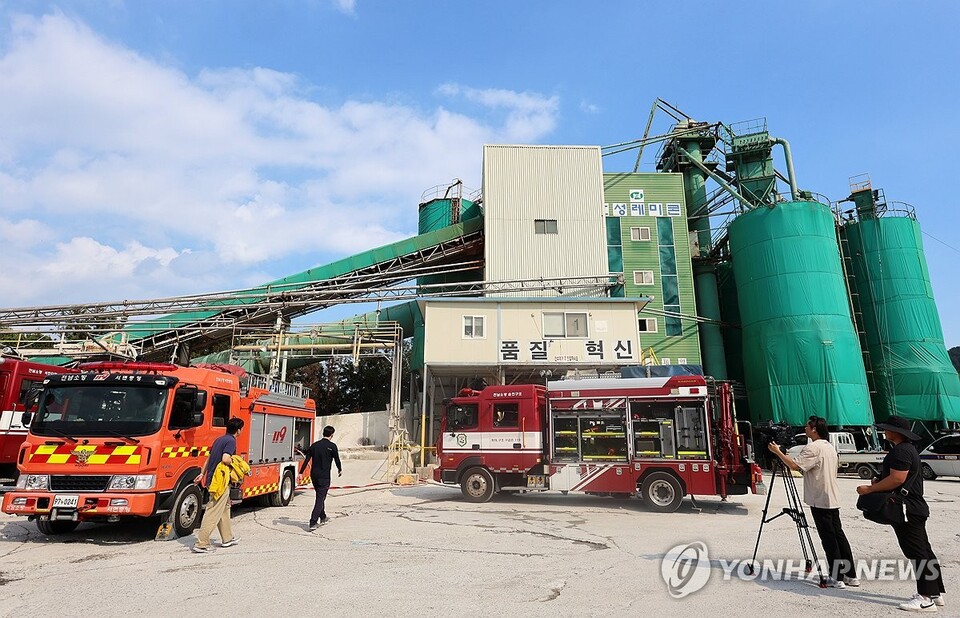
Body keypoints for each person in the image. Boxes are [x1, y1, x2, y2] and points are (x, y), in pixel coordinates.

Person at [857, 416, 946, 612]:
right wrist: (879, 481)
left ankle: (925, 598)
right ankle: (935, 592)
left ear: (896, 432)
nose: (884, 432)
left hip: (907, 509)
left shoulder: (901, 451)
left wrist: (870, 489)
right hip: (915, 508)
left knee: (916, 552)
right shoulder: (907, 450)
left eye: (887, 428)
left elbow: (897, 479)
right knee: (924, 550)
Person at [768, 415, 859, 589]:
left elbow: (795, 466)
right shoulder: (828, 446)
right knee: (839, 536)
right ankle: (850, 575)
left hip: (820, 498)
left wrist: (778, 452)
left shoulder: (813, 448)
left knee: (829, 539)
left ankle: (836, 577)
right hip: (831, 496)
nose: (805, 429)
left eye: (807, 427)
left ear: (814, 429)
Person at [192, 417, 244, 553]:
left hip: (212, 479)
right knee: (213, 510)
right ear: (238, 430)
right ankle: (201, 543)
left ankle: (227, 538)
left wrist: (202, 474)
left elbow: (209, 459)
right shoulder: (231, 441)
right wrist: (239, 463)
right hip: (219, 482)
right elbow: (226, 458)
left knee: (225, 508)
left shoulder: (219, 439)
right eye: (241, 429)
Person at [300, 425, 342, 530]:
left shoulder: (314, 446)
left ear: (323, 433)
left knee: (320, 495)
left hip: (314, 475)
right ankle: (313, 521)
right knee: (320, 498)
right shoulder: (332, 446)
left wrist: (301, 473)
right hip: (324, 476)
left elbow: (307, 460)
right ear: (332, 435)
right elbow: (337, 459)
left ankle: (323, 516)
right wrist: (339, 469)